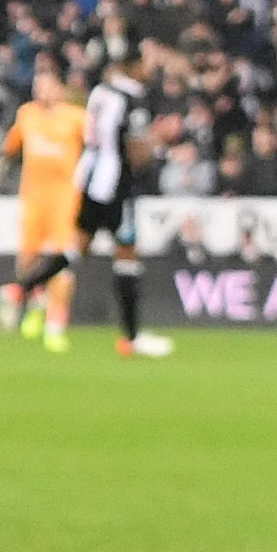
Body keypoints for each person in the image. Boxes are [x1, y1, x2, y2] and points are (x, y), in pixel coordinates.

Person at [1, 61, 94, 348]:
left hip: (65, 200)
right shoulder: (26, 115)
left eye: (46, 85)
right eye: (37, 85)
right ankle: (38, 304)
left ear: (60, 89)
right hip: (33, 199)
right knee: (27, 262)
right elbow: (9, 148)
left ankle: (55, 325)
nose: (40, 90)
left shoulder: (77, 118)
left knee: (60, 263)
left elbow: (96, 147)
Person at [80, 57, 167, 358]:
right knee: (126, 252)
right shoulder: (131, 98)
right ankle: (131, 336)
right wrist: (159, 139)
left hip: (91, 181)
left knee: (77, 248)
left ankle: (25, 293)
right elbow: (136, 153)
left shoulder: (101, 93)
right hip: (117, 187)